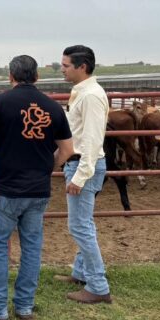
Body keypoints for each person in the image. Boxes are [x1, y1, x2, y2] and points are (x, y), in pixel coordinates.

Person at [0, 55, 74, 320]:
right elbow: (67, 150)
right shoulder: (53, 107)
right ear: (37, 77)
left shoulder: (0, 102)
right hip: (38, 191)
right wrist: (47, 168)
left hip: (6, 188)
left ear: (11, 76)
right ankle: (25, 307)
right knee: (32, 247)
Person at [54, 44, 113, 304]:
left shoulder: (90, 96)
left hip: (83, 165)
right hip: (80, 164)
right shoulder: (84, 93)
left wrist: (81, 175)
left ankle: (98, 286)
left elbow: (91, 139)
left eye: (66, 65)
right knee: (83, 222)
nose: (62, 69)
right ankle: (81, 273)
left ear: (82, 67)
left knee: (79, 225)